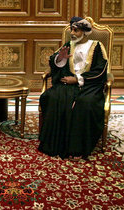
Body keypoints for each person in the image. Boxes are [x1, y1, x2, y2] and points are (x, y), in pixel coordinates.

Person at [38, 16, 108, 159]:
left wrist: (77, 80)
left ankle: (77, 147)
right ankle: (56, 143)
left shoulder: (97, 46)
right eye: (71, 29)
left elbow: (101, 69)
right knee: (52, 96)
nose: (72, 33)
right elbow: (54, 61)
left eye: (75, 30)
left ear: (84, 31)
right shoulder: (69, 44)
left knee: (85, 104)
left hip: (89, 85)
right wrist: (60, 59)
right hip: (67, 82)